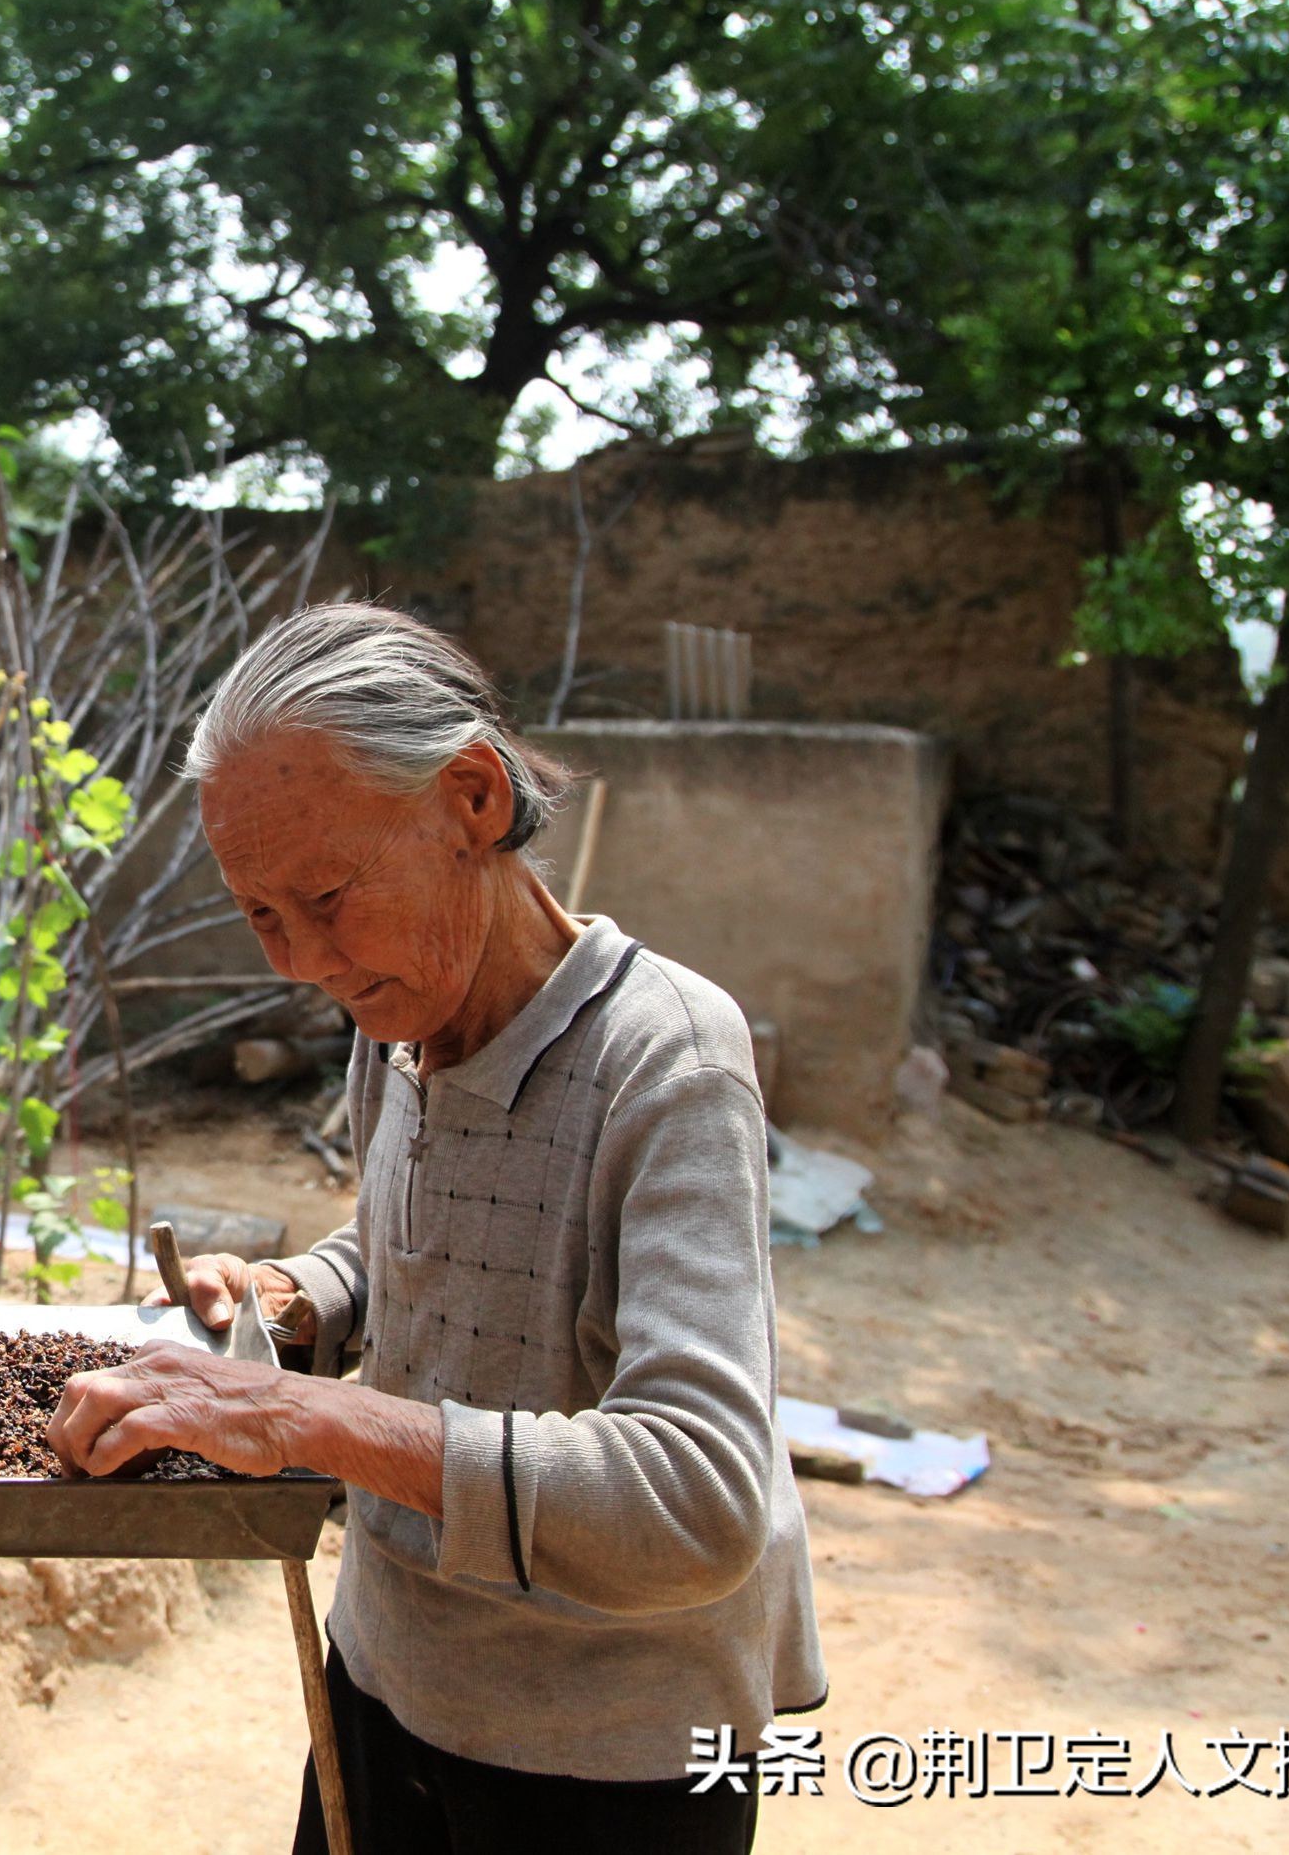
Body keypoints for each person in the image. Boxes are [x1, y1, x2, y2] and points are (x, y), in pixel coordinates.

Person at [50, 603, 825, 1854]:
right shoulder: (400, 1024)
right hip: (390, 1678)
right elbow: (404, 1247)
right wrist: (296, 1301)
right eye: (260, 915)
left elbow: (696, 1498)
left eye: (326, 895)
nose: (303, 961)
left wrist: (305, 1418)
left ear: (470, 795)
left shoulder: (668, 1062)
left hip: (605, 1751)